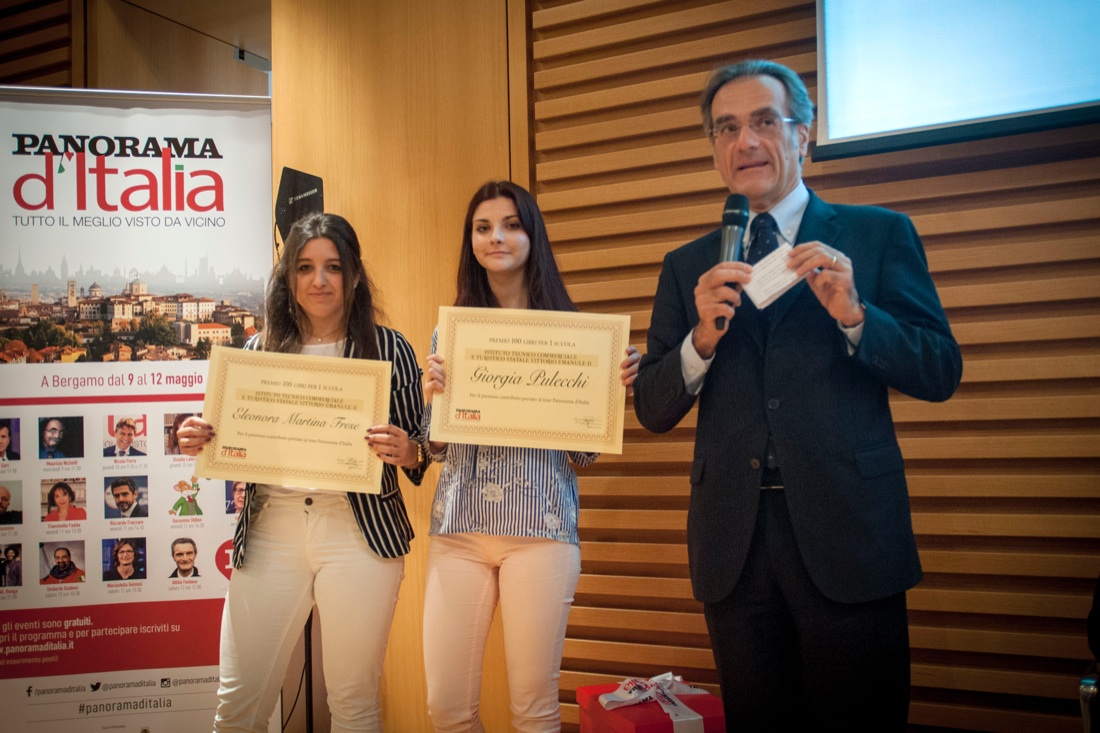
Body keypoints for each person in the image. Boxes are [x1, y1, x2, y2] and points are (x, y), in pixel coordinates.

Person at [631, 59, 963, 730]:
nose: (745, 142)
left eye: (763, 122)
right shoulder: (688, 264)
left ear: (804, 134)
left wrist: (856, 314)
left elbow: (938, 368)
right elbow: (654, 408)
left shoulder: (876, 235)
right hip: (736, 543)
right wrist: (699, 339)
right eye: (727, 128)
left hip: (849, 530)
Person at [177, 212, 428, 733]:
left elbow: (422, 448)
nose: (319, 280)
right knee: (238, 703)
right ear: (287, 277)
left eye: (333, 267)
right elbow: (231, 440)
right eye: (305, 267)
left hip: (359, 532)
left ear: (354, 276)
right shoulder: (256, 351)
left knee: (355, 703)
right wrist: (197, 436)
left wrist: (409, 452)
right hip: (274, 526)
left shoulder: (391, 349)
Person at [420, 180, 640, 732]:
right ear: (471, 241)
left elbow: (584, 456)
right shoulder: (451, 332)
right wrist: (435, 402)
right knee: (446, 708)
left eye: (512, 224)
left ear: (531, 235)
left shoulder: (575, 334)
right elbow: (434, 445)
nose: (497, 237)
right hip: (460, 529)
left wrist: (607, 397)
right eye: (483, 227)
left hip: (541, 530)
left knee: (534, 710)